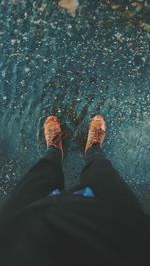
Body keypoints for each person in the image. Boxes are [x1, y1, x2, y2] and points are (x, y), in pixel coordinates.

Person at [0, 114, 149, 266]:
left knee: (41, 174)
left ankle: (54, 148)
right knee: (102, 171)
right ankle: (93, 149)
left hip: (23, 237)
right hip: (118, 236)